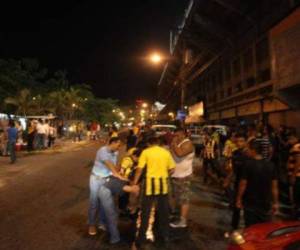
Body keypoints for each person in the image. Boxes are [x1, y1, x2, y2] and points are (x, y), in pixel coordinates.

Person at [132, 136, 175, 249]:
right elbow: (172, 169)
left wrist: (134, 182)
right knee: (163, 212)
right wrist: (165, 176)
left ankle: (141, 239)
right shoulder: (166, 153)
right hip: (163, 186)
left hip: (149, 185)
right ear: (158, 143)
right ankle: (165, 237)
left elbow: (139, 169)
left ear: (149, 143)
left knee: (145, 212)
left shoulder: (146, 152)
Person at [88, 137, 124, 244]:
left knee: (106, 203)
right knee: (94, 203)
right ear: (112, 143)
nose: (119, 147)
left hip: (107, 179)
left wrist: (119, 171)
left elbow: (113, 166)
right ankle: (91, 225)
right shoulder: (102, 150)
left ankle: (102, 223)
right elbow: (108, 163)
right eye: (118, 145)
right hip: (96, 179)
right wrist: (118, 175)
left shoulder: (115, 152)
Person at [236, 139, 279, 227]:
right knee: (262, 227)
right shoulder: (271, 166)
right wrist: (275, 203)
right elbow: (274, 187)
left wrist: (239, 199)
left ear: (253, 150)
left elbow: (243, 184)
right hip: (265, 202)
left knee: (250, 227)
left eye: (250, 149)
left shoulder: (247, 165)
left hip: (250, 202)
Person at [169, 128, 195, 228]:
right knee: (176, 197)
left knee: (184, 199)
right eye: (175, 135)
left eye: (178, 135)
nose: (176, 137)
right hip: (175, 175)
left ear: (184, 134)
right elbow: (171, 154)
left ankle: (183, 221)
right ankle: (177, 215)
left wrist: (174, 143)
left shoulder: (187, 143)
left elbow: (179, 154)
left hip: (184, 176)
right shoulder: (177, 143)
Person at [229, 132, 248, 231]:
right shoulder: (235, 153)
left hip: (248, 184)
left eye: (241, 141)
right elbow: (233, 169)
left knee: (247, 207)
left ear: (245, 142)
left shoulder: (249, 154)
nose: (239, 143)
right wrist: (228, 179)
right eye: (237, 142)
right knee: (236, 206)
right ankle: (234, 226)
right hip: (237, 182)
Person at [287, 132, 300, 219]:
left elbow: (298, 162)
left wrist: (293, 176)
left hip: (297, 176)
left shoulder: (296, 147)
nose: (289, 141)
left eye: (291, 139)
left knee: (296, 198)